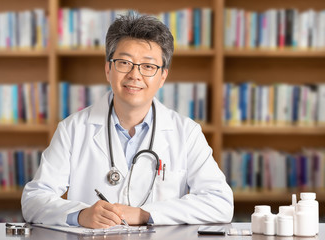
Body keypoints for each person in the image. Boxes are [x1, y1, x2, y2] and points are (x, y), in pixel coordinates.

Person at [21, 14, 233, 229]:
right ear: (108, 69)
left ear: (162, 77)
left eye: (148, 66)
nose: (135, 74)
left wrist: (145, 214)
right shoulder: (72, 129)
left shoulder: (186, 132)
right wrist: (80, 214)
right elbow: (34, 199)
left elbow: (220, 203)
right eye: (124, 63)